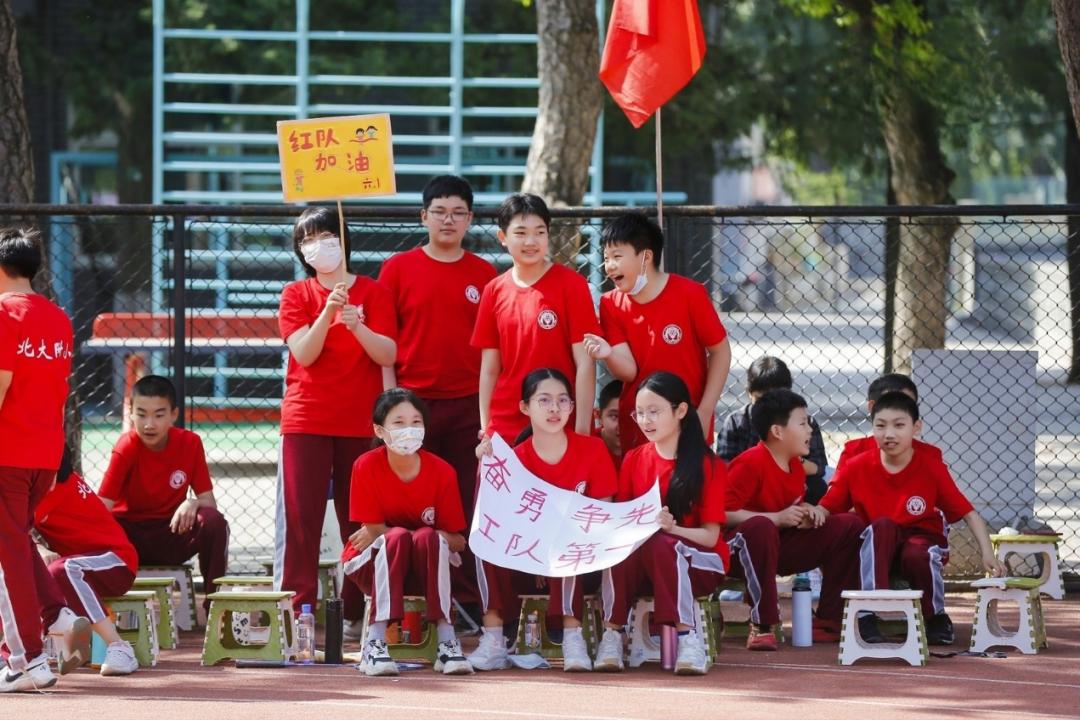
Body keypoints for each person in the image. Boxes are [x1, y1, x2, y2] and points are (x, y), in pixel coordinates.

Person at [275, 206, 396, 625]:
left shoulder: (375, 292)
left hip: (358, 421)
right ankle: (300, 610)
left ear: (344, 239)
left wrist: (358, 326)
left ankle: (358, 608)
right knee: (302, 519)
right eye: (308, 240)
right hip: (306, 419)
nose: (319, 246)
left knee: (358, 518)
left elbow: (389, 354)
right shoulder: (295, 295)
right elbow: (304, 353)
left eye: (327, 235)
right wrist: (327, 314)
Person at [818, 391, 1007, 645]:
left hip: (920, 541)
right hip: (877, 546)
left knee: (918, 554)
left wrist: (987, 554)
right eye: (880, 426)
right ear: (872, 427)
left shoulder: (931, 466)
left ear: (916, 427)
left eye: (899, 425)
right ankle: (866, 614)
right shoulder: (856, 466)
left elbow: (968, 513)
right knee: (880, 527)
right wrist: (812, 513)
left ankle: (935, 618)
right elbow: (828, 507)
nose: (889, 434)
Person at [468, 369, 618, 673]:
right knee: (485, 537)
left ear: (572, 408)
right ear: (525, 407)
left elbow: (604, 513)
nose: (554, 409)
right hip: (527, 563)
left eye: (563, 401)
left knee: (571, 533)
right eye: (545, 400)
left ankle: (572, 634)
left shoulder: (592, 449)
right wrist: (486, 467)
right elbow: (501, 517)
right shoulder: (515, 460)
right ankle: (494, 636)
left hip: (581, 562)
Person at [378, 175, 496, 523]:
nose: (449, 220)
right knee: (412, 497)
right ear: (423, 216)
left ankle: (465, 576)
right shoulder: (397, 269)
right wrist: (391, 404)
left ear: (470, 219)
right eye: (440, 211)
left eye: (458, 212)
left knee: (466, 497)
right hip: (413, 402)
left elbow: (492, 348)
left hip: (468, 402)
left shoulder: (484, 272)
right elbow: (386, 343)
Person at [595, 371, 728, 676]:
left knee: (663, 544)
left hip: (700, 564)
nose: (645, 420)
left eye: (654, 412)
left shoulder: (708, 465)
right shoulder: (633, 459)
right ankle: (612, 634)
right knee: (622, 545)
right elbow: (623, 519)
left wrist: (672, 529)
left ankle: (687, 637)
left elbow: (710, 537)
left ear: (680, 411)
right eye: (639, 412)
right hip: (648, 561)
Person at [342, 389, 472, 677]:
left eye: (416, 422)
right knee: (398, 537)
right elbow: (374, 531)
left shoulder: (442, 472)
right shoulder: (365, 465)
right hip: (370, 564)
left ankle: (448, 642)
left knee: (426, 537)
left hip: (424, 563)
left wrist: (424, 539)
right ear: (380, 429)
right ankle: (375, 643)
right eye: (399, 423)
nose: (409, 430)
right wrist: (403, 537)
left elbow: (457, 540)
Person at [723, 389, 864, 651]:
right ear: (777, 431)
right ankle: (762, 624)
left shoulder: (795, 465)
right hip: (734, 552)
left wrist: (805, 515)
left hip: (777, 545)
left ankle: (828, 620)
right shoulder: (750, 463)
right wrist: (775, 518)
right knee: (762, 527)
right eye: (803, 423)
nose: (810, 429)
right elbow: (719, 513)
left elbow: (786, 511)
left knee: (848, 525)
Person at [0, 227, 74, 693]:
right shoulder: (58, 317)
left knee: (7, 555)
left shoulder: (4, 313)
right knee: (17, 546)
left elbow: (1, 383)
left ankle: (24, 659)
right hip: (43, 452)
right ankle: (52, 618)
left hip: (8, 450)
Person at [591, 215, 731, 452]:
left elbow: (721, 352)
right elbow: (628, 371)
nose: (609, 266)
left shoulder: (690, 294)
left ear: (646, 257)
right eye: (606, 258)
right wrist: (607, 355)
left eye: (617, 256)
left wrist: (705, 411)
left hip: (689, 422)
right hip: (638, 426)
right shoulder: (610, 304)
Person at [471, 193, 601, 449]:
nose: (531, 241)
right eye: (520, 233)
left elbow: (586, 363)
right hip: (507, 422)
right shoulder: (494, 290)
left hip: (560, 419)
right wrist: (486, 427)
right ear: (503, 238)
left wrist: (582, 430)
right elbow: (489, 368)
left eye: (539, 232)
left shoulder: (572, 285)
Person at [99, 375, 229, 608]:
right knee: (96, 528)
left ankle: (215, 604)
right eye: (141, 414)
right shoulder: (126, 447)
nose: (149, 424)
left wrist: (192, 503)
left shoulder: (190, 443)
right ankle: (95, 606)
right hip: (129, 539)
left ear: (173, 414)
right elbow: (101, 509)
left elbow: (209, 503)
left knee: (214, 522)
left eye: (159, 415)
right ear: (130, 413)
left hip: (170, 533)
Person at [33, 449, 139, 676]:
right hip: (83, 565)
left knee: (62, 569)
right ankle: (55, 644)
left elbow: (13, 530)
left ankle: (120, 647)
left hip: (117, 561)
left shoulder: (53, 489)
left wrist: (39, 548)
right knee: (43, 571)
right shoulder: (44, 487)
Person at [715, 356, 828, 503]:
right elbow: (725, 467)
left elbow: (819, 467)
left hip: (791, 485)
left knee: (817, 486)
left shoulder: (804, 422)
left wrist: (791, 462)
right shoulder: (737, 422)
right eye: (761, 400)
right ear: (749, 392)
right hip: (752, 488)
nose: (768, 407)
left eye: (776, 399)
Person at [835, 373, 942, 475]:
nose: (899, 411)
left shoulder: (930, 455)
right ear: (872, 407)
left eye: (908, 405)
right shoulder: (854, 452)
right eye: (890, 403)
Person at [595, 379, 623, 471]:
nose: (622, 426)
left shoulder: (645, 448)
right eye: (614, 416)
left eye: (629, 416)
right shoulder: (590, 445)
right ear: (599, 416)